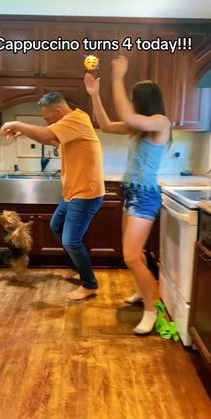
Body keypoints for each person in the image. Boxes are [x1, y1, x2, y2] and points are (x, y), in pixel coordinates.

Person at [84, 56, 171, 334]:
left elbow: (128, 116)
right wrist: (95, 96)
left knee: (131, 256)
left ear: (143, 102)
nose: (131, 105)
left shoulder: (160, 122)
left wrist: (117, 78)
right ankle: (141, 292)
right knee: (134, 254)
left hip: (146, 196)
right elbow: (107, 125)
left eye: (134, 100)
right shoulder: (138, 126)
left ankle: (151, 309)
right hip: (131, 192)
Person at [0, 92, 105, 301]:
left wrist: (17, 124)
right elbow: (52, 140)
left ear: (58, 111)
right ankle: (80, 268)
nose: (47, 121)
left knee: (71, 240)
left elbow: (47, 134)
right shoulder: (71, 125)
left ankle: (89, 284)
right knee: (57, 225)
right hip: (72, 192)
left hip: (85, 193)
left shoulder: (76, 119)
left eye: (48, 118)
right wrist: (25, 133)